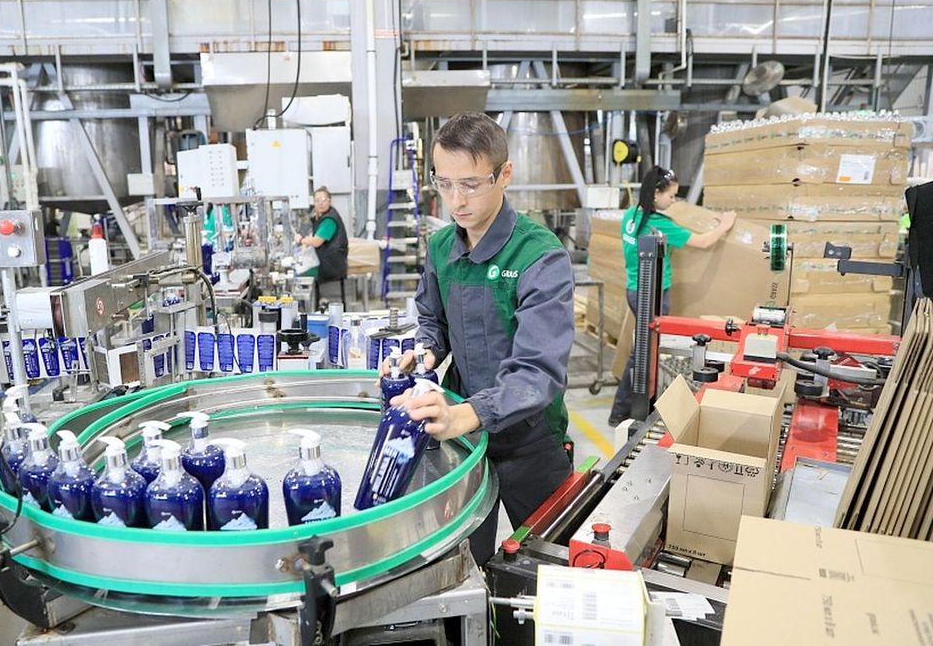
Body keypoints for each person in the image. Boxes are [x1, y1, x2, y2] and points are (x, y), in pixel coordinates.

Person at [382, 112, 575, 566]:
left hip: (532, 440)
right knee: (465, 565)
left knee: (549, 566)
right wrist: (423, 353)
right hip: (467, 442)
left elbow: (536, 373)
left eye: (470, 184)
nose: (456, 200)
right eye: (444, 184)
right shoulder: (441, 248)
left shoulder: (539, 256)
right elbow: (433, 320)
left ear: (504, 174)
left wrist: (462, 415)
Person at [607, 166, 737, 426]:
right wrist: (724, 225)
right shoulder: (659, 225)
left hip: (635, 289)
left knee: (644, 350)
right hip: (652, 294)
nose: (673, 201)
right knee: (643, 353)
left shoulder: (632, 216)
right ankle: (622, 411)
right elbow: (703, 242)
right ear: (656, 193)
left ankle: (632, 407)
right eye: (671, 196)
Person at [296, 187, 349, 303]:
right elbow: (314, 235)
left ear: (329, 201)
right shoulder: (324, 215)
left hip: (331, 264)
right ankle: (316, 301)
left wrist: (301, 240)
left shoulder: (329, 220)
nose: (320, 203)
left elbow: (316, 242)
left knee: (300, 274)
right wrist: (306, 242)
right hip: (328, 260)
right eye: (317, 200)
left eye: (323, 200)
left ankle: (311, 305)